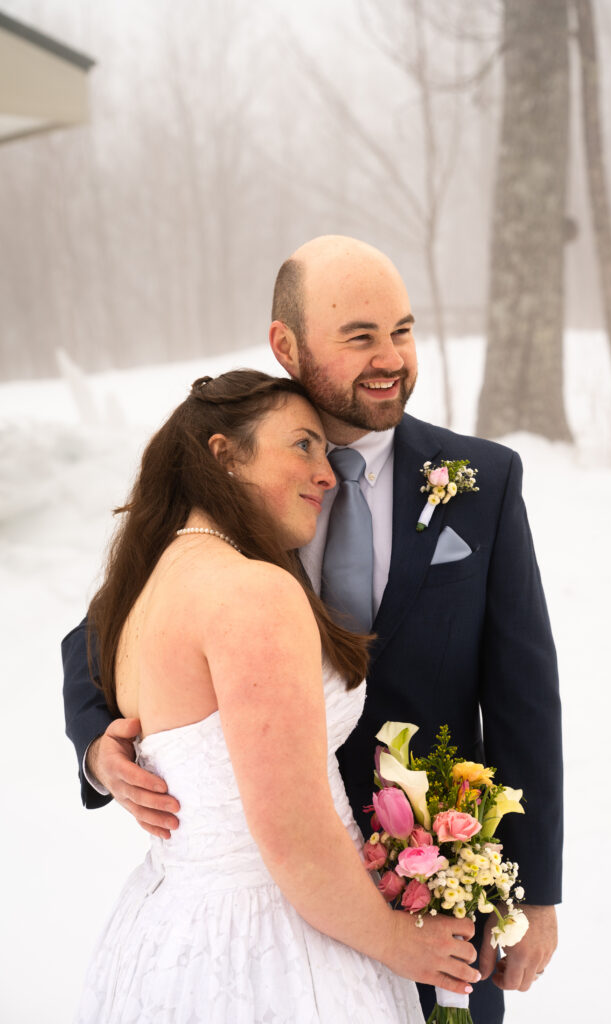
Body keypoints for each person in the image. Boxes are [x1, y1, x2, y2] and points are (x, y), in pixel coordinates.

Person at [63, 236, 563, 1023]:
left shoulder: (482, 480)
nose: (389, 358)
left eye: (401, 331)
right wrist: (101, 748)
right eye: (359, 337)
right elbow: (106, 629)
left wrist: (533, 889)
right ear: (286, 345)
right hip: (274, 904)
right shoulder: (250, 469)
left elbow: (521, 693)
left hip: (439, 879)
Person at [72, 369, 479, 1022]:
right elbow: (293, 835)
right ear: (224, 455)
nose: (326, 474)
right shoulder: (251, 592)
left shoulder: (142, 589)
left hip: (171, 937)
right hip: (273, 946)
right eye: (303, 445)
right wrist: (398, 944)